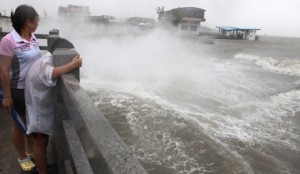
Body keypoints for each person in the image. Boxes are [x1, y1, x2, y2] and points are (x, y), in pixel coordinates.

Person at [25, 51, 82, 174]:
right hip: (38, 113)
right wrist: (73, 65)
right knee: (39, 143)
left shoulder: (46, 58)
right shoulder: (45, 65)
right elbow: (50, 73)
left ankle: (42, 167)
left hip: (37, 108)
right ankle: (42, 171)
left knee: (42, 141)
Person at [0, 4, 40, 171]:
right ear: (27, 22)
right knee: (19, 125)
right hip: (17, 89)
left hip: (33, 89)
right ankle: (22, 156)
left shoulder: (33, 37)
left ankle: (30, 150)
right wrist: (7, 97)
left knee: (30, 122)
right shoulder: (8, 41)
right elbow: (3, 69)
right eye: (36, 21)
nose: (38, 24)